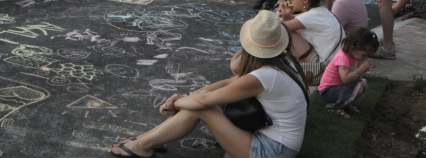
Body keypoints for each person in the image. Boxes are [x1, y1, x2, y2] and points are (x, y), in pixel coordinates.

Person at [109, 10, 308, 158]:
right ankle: (146, 141)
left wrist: (176, 103)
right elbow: (230, 81)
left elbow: (205, 101)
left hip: (272, 151)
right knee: (198, 101)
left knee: (204, 109)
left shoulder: (263, 76)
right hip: (278, 144)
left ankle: (143, 144)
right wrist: (189, 96)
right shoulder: (282, 61)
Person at [281, 0, 344, 64]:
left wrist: (283, 14)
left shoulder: (310, 16)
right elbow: (290, 23)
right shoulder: (321, 11)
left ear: (306, 0)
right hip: (337, 64)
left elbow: (281, 28)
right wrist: (286, 15)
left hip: (324, 67)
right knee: (291, 30)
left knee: (287, 32)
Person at [318, 28, 377, 118]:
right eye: (364, 55)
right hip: (328, 91)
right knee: (358, 87)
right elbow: (345, 79)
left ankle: (344, 103)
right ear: (352, 48)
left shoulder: (352, 55)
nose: (366, 58)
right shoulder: (343, 58)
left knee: (363, 84)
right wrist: (361, 70)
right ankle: (334, 106)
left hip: (336, 88)